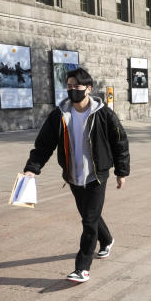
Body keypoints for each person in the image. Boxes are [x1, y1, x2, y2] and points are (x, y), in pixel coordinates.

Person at [24, 68, 130, 283]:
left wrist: (121, 171)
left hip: (97, 175)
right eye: (69, 86)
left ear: (89, 89)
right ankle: (107, 240)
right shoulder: (59, 114)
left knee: (89, 221)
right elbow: (44, 144)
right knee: (89, 215)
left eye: (77, 86)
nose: (72, 89)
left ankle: (82, 267)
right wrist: (32, 168)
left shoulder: (103, 113)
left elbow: (120, 142)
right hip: (73, 175)